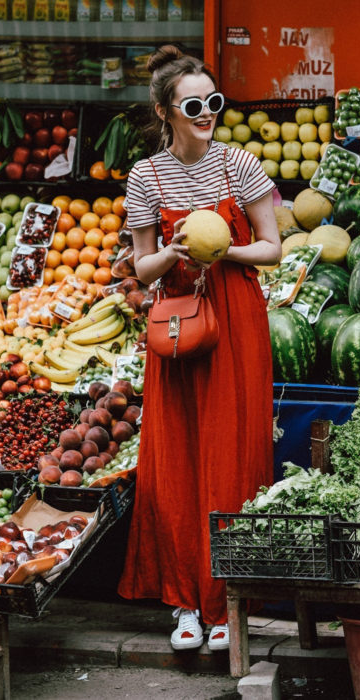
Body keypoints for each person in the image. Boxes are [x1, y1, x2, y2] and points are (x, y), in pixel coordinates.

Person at [118, 44, 281, 652]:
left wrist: (222, 250)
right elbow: (141, 267)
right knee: (179, 459)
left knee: (232, 454)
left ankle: (226, 603)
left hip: (237, 317)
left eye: (214, 101)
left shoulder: (239, 164)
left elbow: (272, 248)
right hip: (179, 325)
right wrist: (176, 252)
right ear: (166, 110)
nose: (208, 112)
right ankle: (186, 601)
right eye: (194, 104)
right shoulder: (145, 177)